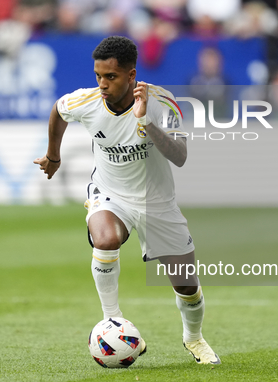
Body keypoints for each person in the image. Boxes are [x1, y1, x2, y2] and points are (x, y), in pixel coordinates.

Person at [34, 36, 220, 365]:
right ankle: (114, 322)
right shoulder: (86, 102)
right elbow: (58, 111)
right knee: (105, 239)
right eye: (98, 76)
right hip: (110, 193)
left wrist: (145, 120)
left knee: (187, 285)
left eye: (111, 77)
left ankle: (194, 339)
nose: (102, 84)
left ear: (131, 75)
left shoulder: (164, 102)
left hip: (157, 202)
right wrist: (53, 155)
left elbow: (180, 156)